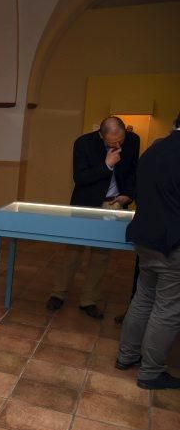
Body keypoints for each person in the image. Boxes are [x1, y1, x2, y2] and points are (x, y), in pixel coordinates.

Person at [46, 117, 139, 319]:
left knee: (101, 254)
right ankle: (58, 294)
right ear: (101, 134)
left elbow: (133, 172)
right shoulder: (83, 143)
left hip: (113, 203)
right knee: (72, 250)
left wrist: (128, 194)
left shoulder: (133, 140)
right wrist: (106, 165)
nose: (118, 145)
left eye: (120, 140)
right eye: (112, 142)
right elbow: (80, 178)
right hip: (85, 203)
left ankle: (89, 300)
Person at [116, 113, 180, 390]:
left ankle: (126, 355)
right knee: (167, 308)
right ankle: (151, 371)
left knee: (143, 299)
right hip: (172, 243)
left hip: (145, 238)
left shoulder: (154, 149)